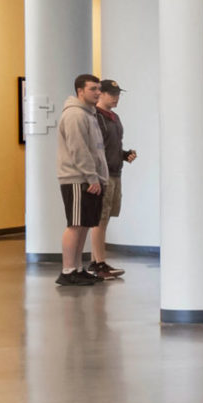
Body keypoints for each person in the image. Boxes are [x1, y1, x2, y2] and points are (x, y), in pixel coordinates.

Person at [55, 73, 109, 288]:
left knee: (85, 224)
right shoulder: (75, 115)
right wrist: (91, 176)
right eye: (93, 89)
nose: (98, 93)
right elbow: (78, 149)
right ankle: (67, 271)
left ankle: (77, 268)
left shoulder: (89, 114)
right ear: (80, 91)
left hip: (90, 178)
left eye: (99, 89)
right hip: (77, 178)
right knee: (76, 225)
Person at [88, 80, 136, 281]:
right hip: (103, 174)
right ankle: (99, 263)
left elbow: (112, 146)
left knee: (105, 219)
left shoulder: (114, 117)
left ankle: (96, 261)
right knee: (100, 219)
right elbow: (95, 148)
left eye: (118, 94)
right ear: (101, 94)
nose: (116, 98)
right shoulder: (95, 117)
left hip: (116, 172)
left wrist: (124, 155)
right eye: (112, 94)